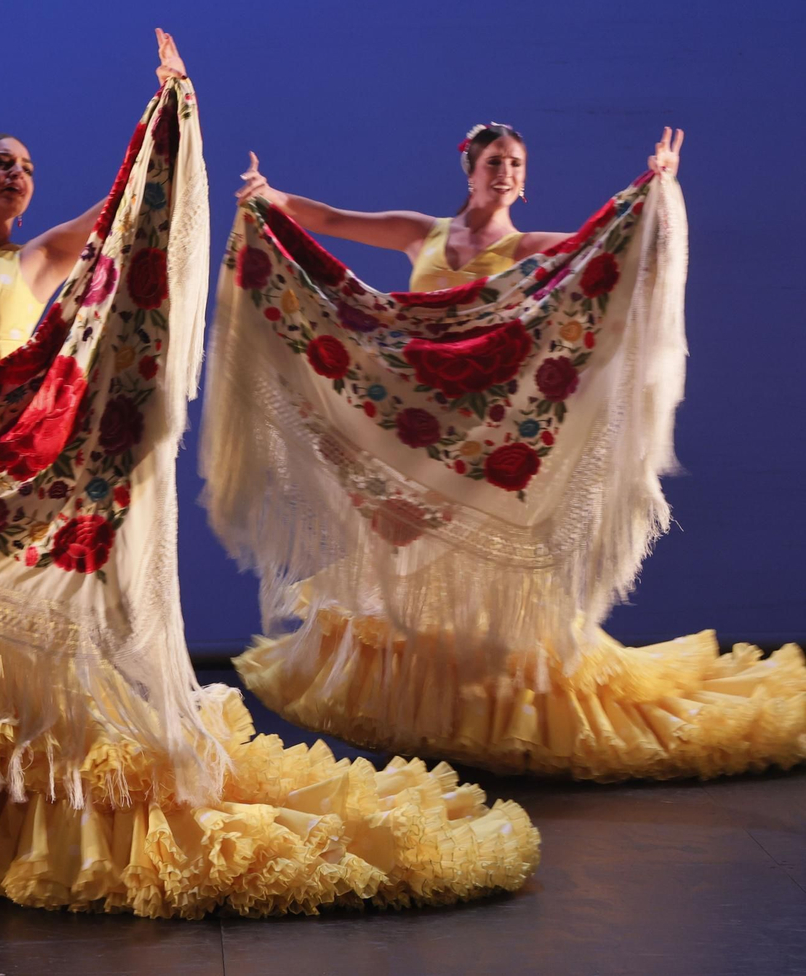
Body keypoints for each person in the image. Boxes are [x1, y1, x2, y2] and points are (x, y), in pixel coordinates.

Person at [0, 36, 539, 918]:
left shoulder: (36, 258)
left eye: (28, 166)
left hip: (8, 464)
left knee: (4, 652)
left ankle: (6, 814)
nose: (19, 174)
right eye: (1, 163)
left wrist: (168, 111)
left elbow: (126, 209)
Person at [223, 124, 806, 780]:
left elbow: (615, 254)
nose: (505, 172)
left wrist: (655, 189)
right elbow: (329, 219)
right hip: (420, 435)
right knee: (407, 586)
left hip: (487, 444)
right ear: (468, 168)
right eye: (495, 161)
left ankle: (508, 725)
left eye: (516, 164)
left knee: (489, 598)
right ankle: (437, 726)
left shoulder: (532, 250)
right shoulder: (424, 233)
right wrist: (269, 196)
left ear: (524, 181)